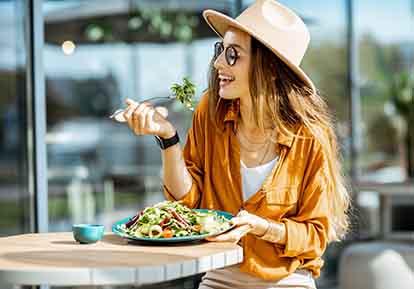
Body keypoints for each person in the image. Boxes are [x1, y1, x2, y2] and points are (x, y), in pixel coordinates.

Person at [122, 0, 351, 288]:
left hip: (287, 280)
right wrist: (168, 137)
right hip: (221, 274)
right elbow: (187, 202)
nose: (218, 63)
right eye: (220, 50)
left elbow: (315, 237)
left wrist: (263, 228)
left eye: (233, 54)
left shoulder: (310, 136)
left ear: (269, 69)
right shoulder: (210, 111)